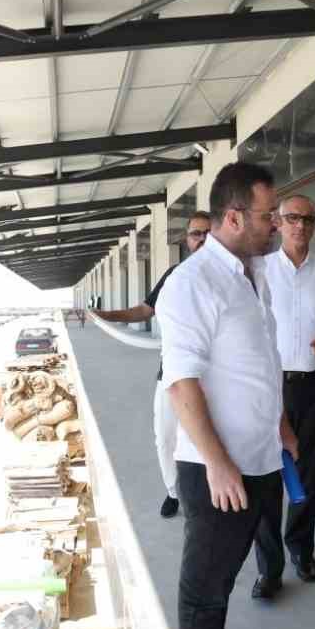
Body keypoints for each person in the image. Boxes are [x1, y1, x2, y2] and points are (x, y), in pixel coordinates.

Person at [154, 162, 298, 629]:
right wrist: (216, 463)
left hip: (259, 458)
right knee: (204, 591)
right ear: (234, 217)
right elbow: (181, 382)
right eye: (269, 216)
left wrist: (281, 424)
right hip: (218, 469)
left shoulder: (251, 274)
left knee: (228, 576)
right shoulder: (193, 283)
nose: (277, 225)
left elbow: (257, 362)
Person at [250, 193, 315, 599]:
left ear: (314, 226)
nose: (300, 225)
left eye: (308, 219)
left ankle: (301, 548)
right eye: (292, 217)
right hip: (268, 385)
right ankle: (269, 569)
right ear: (278, 222)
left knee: (307, 472)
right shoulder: (258, 272)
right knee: (266, 473)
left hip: (314, 384)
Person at [91, 211, 213, 518]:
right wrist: (107, 316)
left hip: (213, 374)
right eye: (196, 234)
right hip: (172, 372)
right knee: (165, 435)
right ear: (187, 239)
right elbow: (145, 310)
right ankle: (173, 491)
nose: (202, 239)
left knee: (208, 435)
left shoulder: (229, 275)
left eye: (208, 233)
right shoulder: (175, 275)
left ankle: (210, 490)